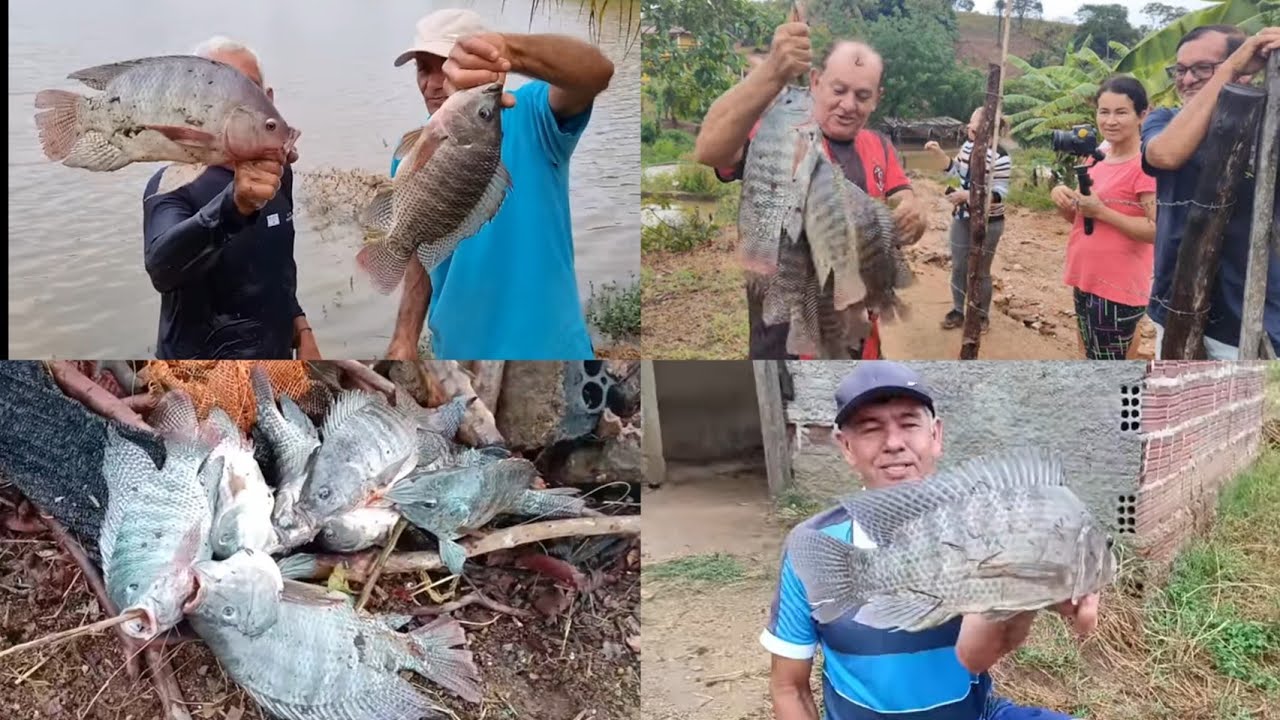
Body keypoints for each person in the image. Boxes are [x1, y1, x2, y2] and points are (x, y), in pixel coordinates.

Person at [763, 361, 1101, 720]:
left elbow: (977, 655)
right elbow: (789, 687)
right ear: (846, 447)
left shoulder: (984, 525)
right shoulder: (812, 546)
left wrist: (1031, 593)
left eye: (909, 424)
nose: (894, 443)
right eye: (871, 429)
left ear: (936, 435)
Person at [382, 9, 615, 361]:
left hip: (549, 351)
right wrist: (404, 337)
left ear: (484, 66)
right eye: (423, 69)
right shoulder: (411, 153)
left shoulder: (535, 114)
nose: (432, 83)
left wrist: (509, 50)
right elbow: (420, 246)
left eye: (445, 66)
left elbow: (596, 73)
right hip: (457, 355)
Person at [694, 19, 928, 360]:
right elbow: (709, 150)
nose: (848, 105)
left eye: (862, 96)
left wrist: (913, 210)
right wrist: (773, 71)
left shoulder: (879, 145)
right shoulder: (780, 136)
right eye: (838, 90)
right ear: (816, 81)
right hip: (782, 341)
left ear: (877, 99)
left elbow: (903, 198)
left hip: (859, 338)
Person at [141, 36, 318, 361]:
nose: (235, 106)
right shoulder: (170, 185)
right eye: (215, 91)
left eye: (247, 89)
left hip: (276, 358)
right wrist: (232, 207)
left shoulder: (279, 174)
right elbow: (161, 269)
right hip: (198, 367)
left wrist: (302, 327)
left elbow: (277, 267)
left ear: (268, 100)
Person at [1141, 24, 1280, 359]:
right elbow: (1166, 154)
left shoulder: (1271, 128)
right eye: (1181, 70)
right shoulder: (1165, 120)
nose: (1187, 79)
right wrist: (1228, 69)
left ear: (1248, 70)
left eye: (1203, 68)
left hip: (1254, 320)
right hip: (1176, 308)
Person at [1051, 77, 1158, 360]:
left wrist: (1102, 211)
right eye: (1104, 111)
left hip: (1117, 287)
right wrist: (1063, 199)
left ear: (1142, 115)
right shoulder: (1096, 157)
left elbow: (1157, 230)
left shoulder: (1145, 166)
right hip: (1086, 276)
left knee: (1106, 365)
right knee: (1089, 355)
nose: (1110, 121)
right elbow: (1081, 218)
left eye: (1121, 112)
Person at [925, 108, 1014, 335]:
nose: (968, 127)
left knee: (981, 271)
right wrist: (939, 154)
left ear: (987, 128)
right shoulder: (967, 147)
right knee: (959, 267)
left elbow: (999, 194)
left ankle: (981, 315)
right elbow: (955, 170)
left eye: (973, 123)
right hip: (962, 217)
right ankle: (958, 310)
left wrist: (968, 196)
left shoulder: (1001, 157)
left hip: (989, 222)